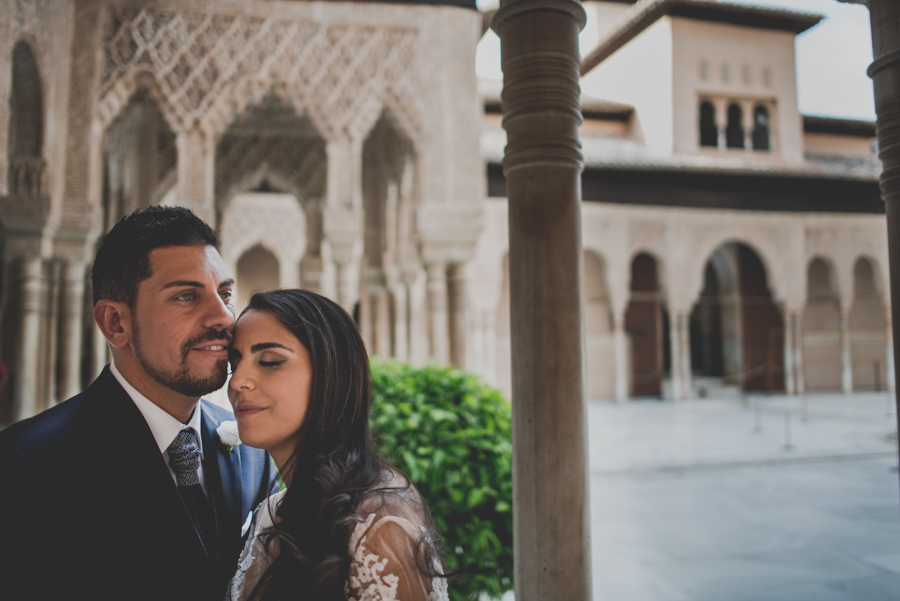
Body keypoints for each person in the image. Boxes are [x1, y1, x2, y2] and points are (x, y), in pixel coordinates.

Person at [0, 206, 276, 601]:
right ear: (115, 323)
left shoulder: (253, 450)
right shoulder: (27, 467)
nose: (224, 317)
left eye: (225, 294)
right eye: (186, 296)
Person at [225, 289, 449, 601]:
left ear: (331, 375)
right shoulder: (273, 510)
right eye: (233, 364)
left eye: (270, 361)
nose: (237, 381)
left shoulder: (377, 522)